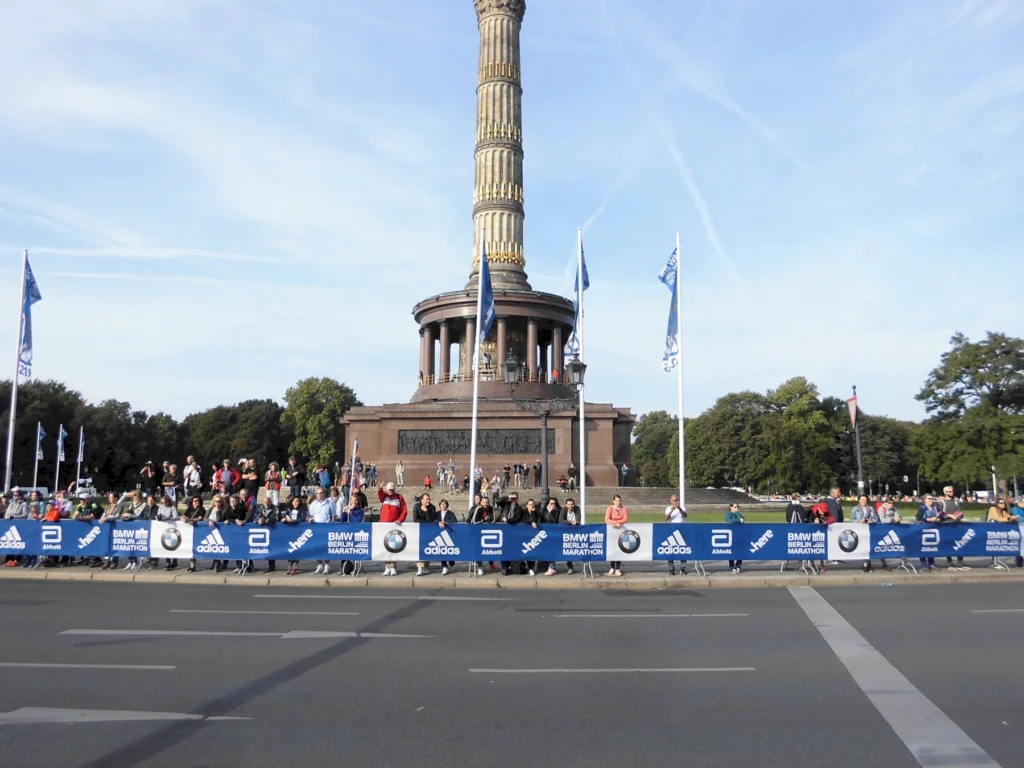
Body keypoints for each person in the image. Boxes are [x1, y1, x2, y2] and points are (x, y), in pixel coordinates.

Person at [377, 482, 408, 577]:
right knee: (385, 546)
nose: (390, 491)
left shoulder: (399, 497)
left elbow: (404, 510)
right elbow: (380, 496)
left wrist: (400, 519)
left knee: (394, 547)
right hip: (384, 525)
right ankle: (387, 567)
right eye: (389, 489)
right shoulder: (384, 496)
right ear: (386, 489)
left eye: (392, 489)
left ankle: (393, 567)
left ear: (394, 489)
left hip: (394, 525)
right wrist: (380, 489)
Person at [938, 486, 969, 571]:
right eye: (950, 492)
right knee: (948, 544)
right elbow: (939, 514)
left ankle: (960, 562)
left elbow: (959, 512)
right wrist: (949, 515)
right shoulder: (942, 502)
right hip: (946, 526)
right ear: (945, 492)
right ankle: (950, 562)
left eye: (952, 491)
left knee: (960, 543)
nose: (952, 493)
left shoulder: (955, 502)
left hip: (956, 525)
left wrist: (959, 515)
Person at [307, 487, 335, 575]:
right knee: (317, 547)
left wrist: (332, 526)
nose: (320, 495)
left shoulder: (330, 502)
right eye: (318, 493)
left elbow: (333, 515)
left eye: (321, 493)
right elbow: (310, 515)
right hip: (316, 528)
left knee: (326, 547)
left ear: (325, 494)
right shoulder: (313, 504)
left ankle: (327, 565)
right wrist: (310, 519)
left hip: (327, 527)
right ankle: (319, 565)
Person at [851, 495, 880, 572]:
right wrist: (859, 521)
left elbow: (876, 518)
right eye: (862, 499)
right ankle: (865, 564)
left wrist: (872, 521)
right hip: (859, 530)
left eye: (865, 500)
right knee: (863, 546)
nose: (863, 501)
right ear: (859, 500)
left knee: (868, 546)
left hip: (869, 529)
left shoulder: (870, 508)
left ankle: (867, 563)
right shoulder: (855, 508)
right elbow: (852, 519)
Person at [498, 491, 523, 575]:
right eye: (511, 498)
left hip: (513, 531)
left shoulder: (519, 508)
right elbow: (498, 501)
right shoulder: (505, 505)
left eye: (514, 498)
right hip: (503, 530)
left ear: (517, 499)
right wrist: (507, 497)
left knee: (512, 548)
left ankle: (511, 566)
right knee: (504, 548)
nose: (512, 500)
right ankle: (504, 567)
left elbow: (517, 519)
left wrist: (508, 520)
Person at [413, 492, 438, 577]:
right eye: (426, 499)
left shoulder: (432, 507)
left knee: (428, 549)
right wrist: (425, 523)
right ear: (422, 500)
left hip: (429, 531)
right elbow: (415, 519)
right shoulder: (416, 506)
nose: (428, 501)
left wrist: (426, 511)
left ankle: (426, 567)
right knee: (420, 549)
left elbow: (430, 520)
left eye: (429, 499)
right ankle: (420, 567)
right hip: (419, 531)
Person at [469, 494, 494, 575]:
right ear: (481, 502)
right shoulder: (478, 509)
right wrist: (484, 519)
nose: (485, 504)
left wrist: (487, 520)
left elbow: (493, 520)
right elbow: (474, 521)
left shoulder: (491, 508)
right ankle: (479, 567)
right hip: (478, 533)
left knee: (490, 549)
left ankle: (491, 564)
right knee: (478, 549)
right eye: (484, 502)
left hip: (488, 533)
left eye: (487, 502)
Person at [605, 495, 628, 576]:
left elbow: (625, 519)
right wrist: (615, 523)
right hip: (612, 530)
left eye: (619, 501)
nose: (618, 502)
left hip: (621, 531)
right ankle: (612, 567)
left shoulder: (623, 508)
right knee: (612, 549)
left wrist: (618, 523)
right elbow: (607, 519)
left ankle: (618, 568)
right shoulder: (610, 508)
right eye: (617, 501)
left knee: (619, 548)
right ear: (613, 501)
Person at [916, 494, 941, 571]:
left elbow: (941, 515)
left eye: (932, 499)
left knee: (931, 546)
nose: (931, 500)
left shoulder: (935, 507)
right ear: (925, 500)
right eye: (929, 499)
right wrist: (928, 519)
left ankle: (931, 563)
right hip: (923, 529)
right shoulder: (922, 507)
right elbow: (918, 518)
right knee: (923, 547)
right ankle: (923, 564)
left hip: (932, 529)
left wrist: (938, 519)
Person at [664, 494, 687, 576]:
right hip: (672, 530)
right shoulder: (668, 508)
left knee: (683, 549)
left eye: (676, 500)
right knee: (671, 549)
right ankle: (671, 568)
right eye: (674, 500)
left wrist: (679, 508)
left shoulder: (682, 507)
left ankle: (683, 567)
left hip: (682, 530)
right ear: (671, 501)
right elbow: (666, 518)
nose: (675, 502)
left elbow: (685, 516)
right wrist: (672, 510)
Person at [183, 496, 207, 572]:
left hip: (198, 530)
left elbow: (200, 518)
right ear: (192, 502)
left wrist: (190, 520)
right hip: (189, 530)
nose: (197, 502)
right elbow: (184, 516)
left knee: (196, 547)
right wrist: (184, 519)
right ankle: (192, 565)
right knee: (191, 547)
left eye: (198, 500)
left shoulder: (201, 509)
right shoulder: (189, 509)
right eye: (195, 501)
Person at [559, 497, 581, 575]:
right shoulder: (564, 509)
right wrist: (571, 522)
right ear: (566, 505)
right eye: (569, 504)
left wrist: (575, 522)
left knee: (574, 548)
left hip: (575, 531)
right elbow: (561, 520)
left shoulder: (577, 508)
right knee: (567, 548)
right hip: (565, 531)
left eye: (572, 504)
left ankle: (575, 565)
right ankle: (570, 566)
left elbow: (578, 519)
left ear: (574, 504)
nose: (570, 506)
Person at [541, 497, 561, 576]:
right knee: (547, 550)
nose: (553, 505)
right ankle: (551, 566)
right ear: (548, 504)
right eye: (551, 503)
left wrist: (551, 512)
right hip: (545, 534)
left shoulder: (558, 511)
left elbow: (555, 521)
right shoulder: (544, 511)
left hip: (554, 534)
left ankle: (552, 567)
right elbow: (541, 520)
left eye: (554, 503)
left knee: (551, 550)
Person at [437, 499, 458, 575]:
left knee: (449, 550)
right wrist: (438, 522)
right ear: (439, 505)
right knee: (442, 551)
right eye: (441, 504)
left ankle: (451, 563)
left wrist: (446, 523)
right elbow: (433, 520)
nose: (443, 505)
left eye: (444, 504)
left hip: (449, 534)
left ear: (447, 505)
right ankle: (444, 566)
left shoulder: (451, 513)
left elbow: (454, 521)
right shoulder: (437, 513)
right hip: (440, 534)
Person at [725, 503, 745, 573]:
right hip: (731, 534)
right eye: (735, 507)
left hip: (739, 534)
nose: (737, 508)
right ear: (731, 507)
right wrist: (738, 520)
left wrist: (737, 513)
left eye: (737, 507)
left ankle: (738, 565)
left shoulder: (738, 513)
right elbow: (729, 520)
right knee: (732, 551)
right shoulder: (728, 514)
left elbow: (742, 519)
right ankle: (732, 566)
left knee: (740, 550)